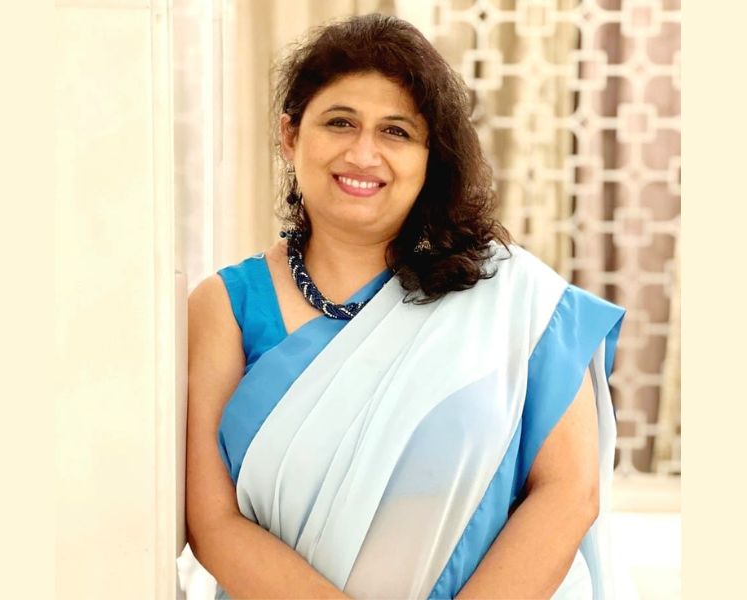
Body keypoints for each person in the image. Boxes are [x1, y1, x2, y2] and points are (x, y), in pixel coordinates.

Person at [185, 13, 624, 600]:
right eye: (340, 122)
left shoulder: (512, 297)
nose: (363, 153)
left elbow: (569, 492)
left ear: (429, 158)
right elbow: (211, 522)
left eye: (396, 132)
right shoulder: (225, 306)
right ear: (290, 136)